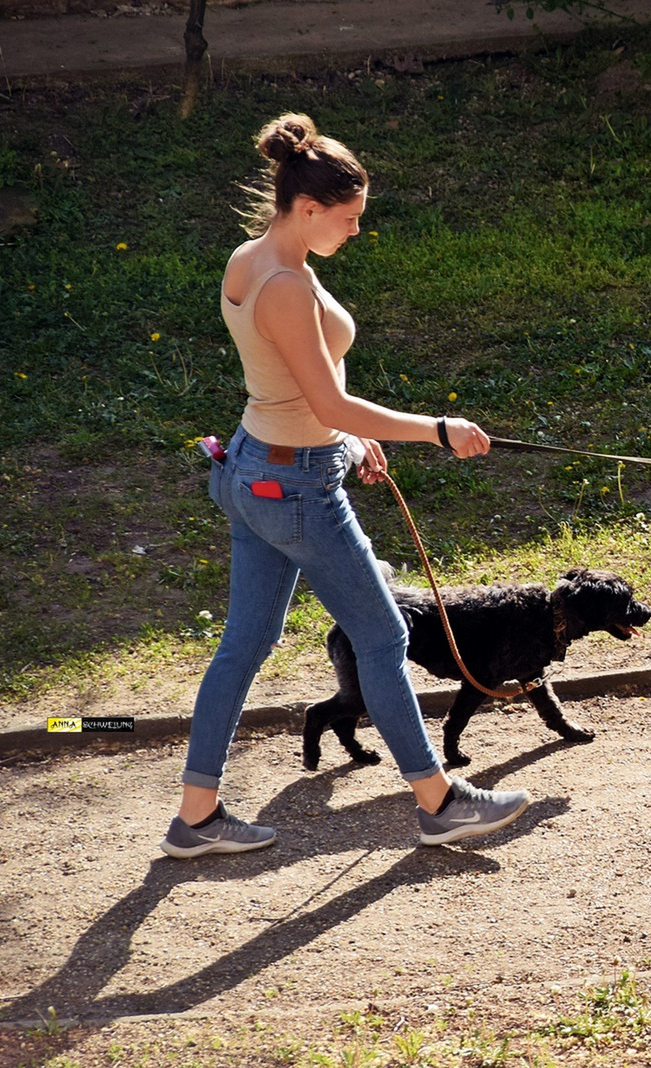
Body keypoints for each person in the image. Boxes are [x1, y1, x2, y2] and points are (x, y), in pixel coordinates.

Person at [160, 113, 527, 858]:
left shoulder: (255, 256)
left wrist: (350, 437)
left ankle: (195, 817)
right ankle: (439, 802)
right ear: (310, 208)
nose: (358, 231)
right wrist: (436, 428)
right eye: (350, 217)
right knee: (384, 633)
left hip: (253, 466)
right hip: (294, 489)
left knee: (244, 644)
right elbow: (324, 400)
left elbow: (290, 386)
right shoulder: (288, 284)